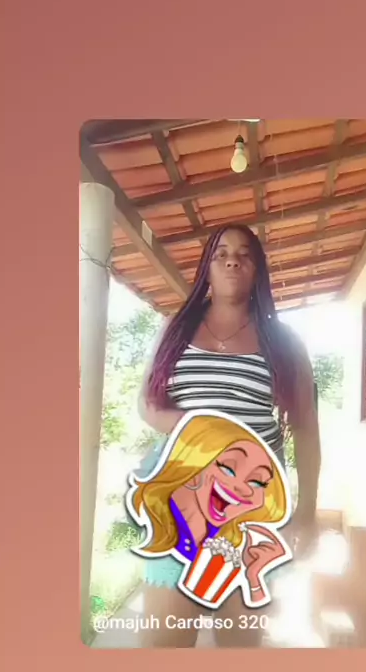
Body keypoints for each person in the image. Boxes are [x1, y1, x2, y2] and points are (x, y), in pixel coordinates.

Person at [137, 224, 321, 647]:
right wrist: (204, 433)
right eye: (221, 253)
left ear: (258, 269)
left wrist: (308, 511)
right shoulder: (175, 329)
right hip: (178, 501)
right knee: (162, 646)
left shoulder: (284, 342)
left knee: (239, 647)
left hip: (251, 511)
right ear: (207, 267)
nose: (232, 261)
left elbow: (306, 428)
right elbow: (146, 405)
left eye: (244, 254)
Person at [126, 411, 292, 610]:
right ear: (194, 463)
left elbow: (249, 620)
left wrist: (253, 577)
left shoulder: (234, 541)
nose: (243, 488)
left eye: (258, 482)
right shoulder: (166, 528)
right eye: (228, 468)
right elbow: (149, 409)